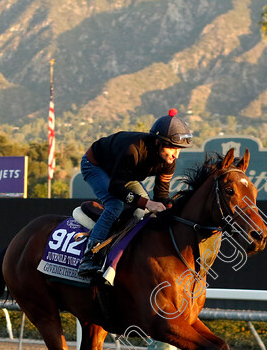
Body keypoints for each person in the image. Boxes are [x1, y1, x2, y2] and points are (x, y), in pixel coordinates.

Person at [77, 109, 192, 277]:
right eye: (172, 148)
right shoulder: (133, 150)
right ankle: (90, 257)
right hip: (96, 166)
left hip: (123, 173)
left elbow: (160, 197)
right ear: (157, 142)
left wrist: (168, 207)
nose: (176, 155)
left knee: (144, 208)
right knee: (115, 205)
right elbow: (115, 188)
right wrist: (148, 203)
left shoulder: (169, 162)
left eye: (179, 149)